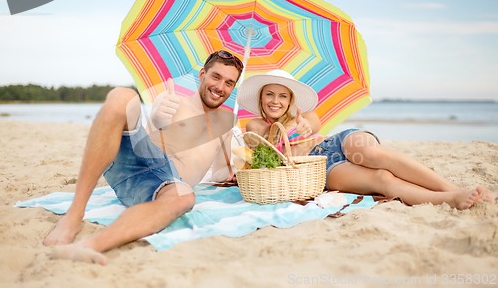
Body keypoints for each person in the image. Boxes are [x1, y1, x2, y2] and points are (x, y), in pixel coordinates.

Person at [43, 50, 244, 264]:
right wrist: (157, 117)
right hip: (138, 161)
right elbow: (148, 135)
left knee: (185, 196)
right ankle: (74, 215)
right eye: (216, 77)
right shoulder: (173, 100)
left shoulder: (227, 121)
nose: (220, 87)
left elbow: (221, 170)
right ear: (203, 74)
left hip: (162, 186)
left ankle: (87, 247)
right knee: (123, 96)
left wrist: (232, 176)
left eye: (229, 83)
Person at [237, 69, 495, 210]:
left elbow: (313, 124)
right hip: (319, 167)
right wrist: (283, 128)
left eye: (283, 96)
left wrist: (302, 124)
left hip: (335, 143)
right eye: (269, 94)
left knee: (374, 155)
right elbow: (263, 149)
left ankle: (449, 187)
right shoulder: (255, 124)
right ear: (261, 98)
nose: (275, 101)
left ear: (291, 100)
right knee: (381, 178)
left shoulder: (302, 115)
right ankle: (450, 199)